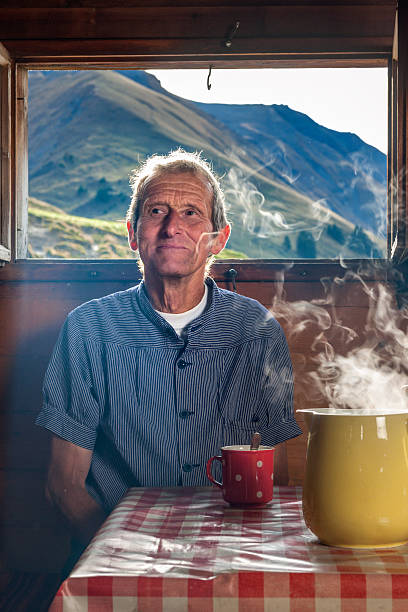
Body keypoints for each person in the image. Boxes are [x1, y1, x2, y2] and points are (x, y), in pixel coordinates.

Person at [36, 149, 302, 557]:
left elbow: (274, 478)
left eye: (192, 213)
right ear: (133, 233)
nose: (173, 226)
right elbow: (64, 488)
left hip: (228, 553)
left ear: (219, 239)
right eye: (157, 210)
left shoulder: (257, 331)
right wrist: (127, 561)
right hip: (116, 556)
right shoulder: (89, 330)